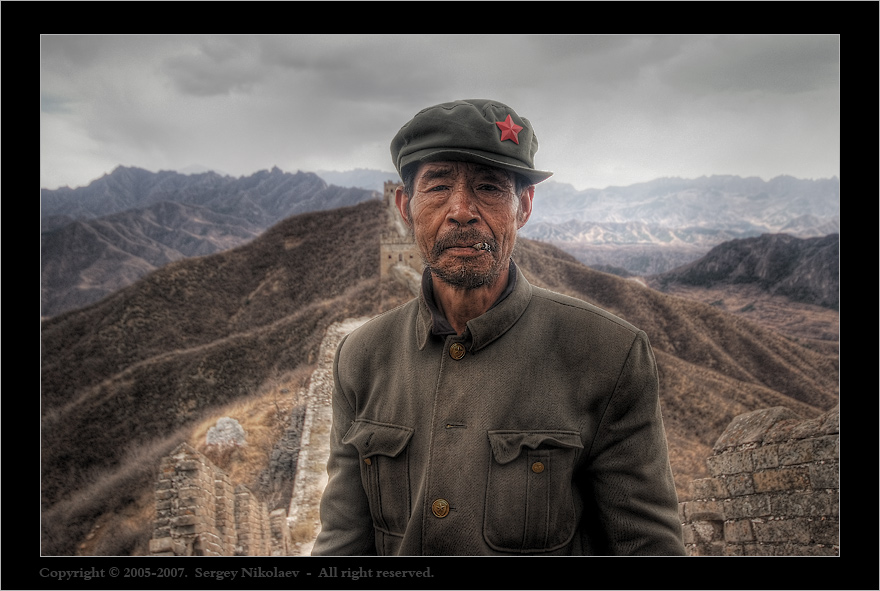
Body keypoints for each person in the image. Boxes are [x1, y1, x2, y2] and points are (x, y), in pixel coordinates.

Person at [311, 99, 685, 556]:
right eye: (439, 186)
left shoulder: (607, 355)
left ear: (523, 206)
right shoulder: (362, 358)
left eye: (489, 187)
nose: (462, 210)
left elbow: (647, 546)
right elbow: (342, 542)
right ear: (405, 206)